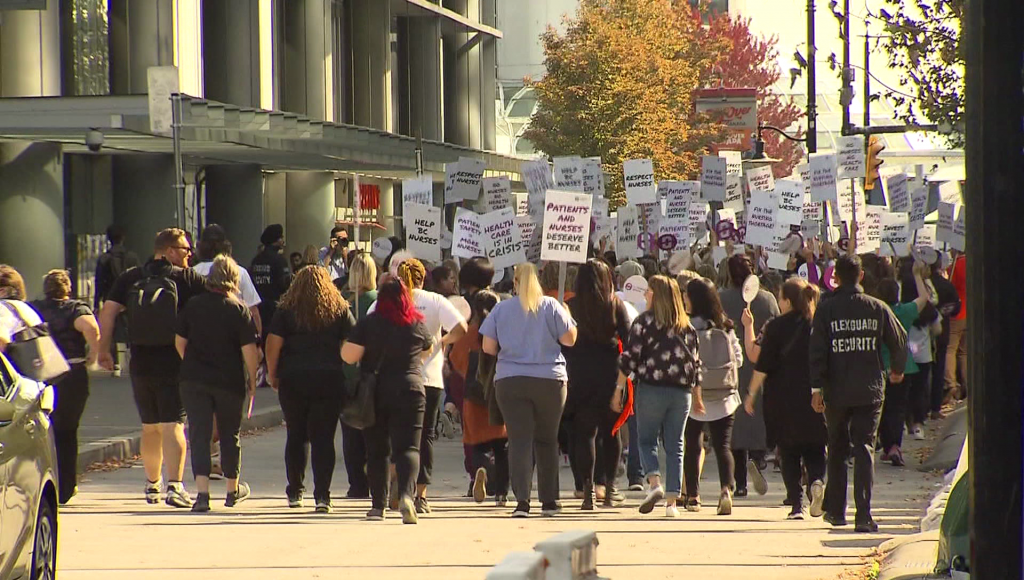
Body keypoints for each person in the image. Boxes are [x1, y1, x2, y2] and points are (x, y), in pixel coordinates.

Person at [97, 228, 208, 507]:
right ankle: (176, 486)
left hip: (140, 360)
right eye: (184, 249)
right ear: (169, 251)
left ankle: (152, 485)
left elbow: (108, 311)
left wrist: (103, 350)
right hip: (175, 359)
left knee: (150, 427)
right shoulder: (186, 278)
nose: (189, 254)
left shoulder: (132, 277)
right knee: (174, 424)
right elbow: (218, 301)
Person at [809, 254, 908, 533]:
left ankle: (837, 512)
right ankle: (863, 515)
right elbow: (899, 341)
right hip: (869, 389)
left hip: (836, 391)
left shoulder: (826, 310)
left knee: (837, 448)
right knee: (864, 449)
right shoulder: (877, 307)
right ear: (861, 276)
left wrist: (816, 388)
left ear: (835, 277)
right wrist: (897, 370)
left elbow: (816, 351)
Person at [480, 263, 577, 518]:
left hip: (511, 380)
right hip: (550, 379)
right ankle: (549, 501)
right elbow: (570, 339)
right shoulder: (552, 306)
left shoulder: (501, 309)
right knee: (547, 439)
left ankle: (522, 501)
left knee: (519, 440)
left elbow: (488, 348)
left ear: (515, 283)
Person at [341, 277, 433, 524]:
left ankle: (378, 506)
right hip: (411, 388)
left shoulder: (369, 323)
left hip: (377, 391)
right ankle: (405, 496)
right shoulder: (416, 323)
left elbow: (349, 357)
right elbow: (428, 348)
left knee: (377, 450)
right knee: (409, 448)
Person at [265, 266, 355, 513]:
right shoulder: (338, 309)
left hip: (293, 377)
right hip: (328, 378)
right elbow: (351, 344)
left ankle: (295, 490)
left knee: (296, 435)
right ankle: (323, 496)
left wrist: (273, 374)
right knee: (324, 437)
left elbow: (273, 343)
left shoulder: (286, 311)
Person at [174, 256, 260, 512]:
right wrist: (252, 380)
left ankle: (202, 494)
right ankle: (232, 490)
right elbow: (249, 352)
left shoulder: (193, 305)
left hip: (194, 379)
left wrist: (191, 361)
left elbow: (179, 341)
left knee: (199, 434)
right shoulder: (239, 310)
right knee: (229, 434)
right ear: (234, 280)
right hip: (228, 379)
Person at [381, 259, 467, 513]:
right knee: (425, 435)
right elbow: (461, 327)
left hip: (396, 375)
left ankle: (396, 486)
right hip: (429, 378)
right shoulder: (435, 301)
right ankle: (421, 495)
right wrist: (442, 341)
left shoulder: (390, 300)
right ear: (423, 278)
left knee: (397, 434)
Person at [617, 275, 704, 518]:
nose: (645, 295)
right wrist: (698, 396)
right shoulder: (687, 327)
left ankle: (655, 483)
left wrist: (618, 389)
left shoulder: (643, 322)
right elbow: (696, 365)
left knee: (646, 440)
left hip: (652, 388)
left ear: (656, 295)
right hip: (681, 393)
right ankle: (672, 504)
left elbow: (630, 358)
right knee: (676, 445)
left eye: (649, 291)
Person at [743, 278, 827, 520]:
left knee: (788, 451)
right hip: (813, 394)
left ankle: (796, 505)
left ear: (787, 301)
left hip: (782, 397)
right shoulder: (817, 323)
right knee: (815, 447)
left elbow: (763, 365)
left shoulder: (776, 327)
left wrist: (751, 394)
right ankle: (817, 482)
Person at [563, 260, 632, 510]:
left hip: (579, 374)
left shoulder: (570, 306)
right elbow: (630, 342)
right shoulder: (615, 305)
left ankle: (587, 488)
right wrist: (624, 377)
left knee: (585, 434)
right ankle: (610, 487)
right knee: (611, 432)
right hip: (610, 375)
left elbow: (561, 341)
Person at [30, 270, 101, 504]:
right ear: (67, 289)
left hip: (39, 373)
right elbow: (91, 328)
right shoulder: (75, 308)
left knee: (40, 430)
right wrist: (93, 354)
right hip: (71, 373)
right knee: (67, 430)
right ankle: (66, 486)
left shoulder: (35, 309)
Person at [719, 255, 779, 497]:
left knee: (735, 425)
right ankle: (758, 457)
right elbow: (776, 327)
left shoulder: (721, 299)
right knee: (758, 416)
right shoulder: (767, 299)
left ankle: (740, 481)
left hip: (731, 367)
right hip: (761, 366)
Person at [682, 277, 742, 516]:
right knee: (723, 446)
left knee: (693, 446)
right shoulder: (725, 325)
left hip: (693, 395)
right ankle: (726, 490)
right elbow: (737, 358)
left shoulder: (686, 327)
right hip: (724, 395)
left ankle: (693, 497)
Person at [457, 290, 510, 506]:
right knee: (502, 447)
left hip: (473, 398)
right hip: (497, 395)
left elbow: (457, 362)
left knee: (477, 446)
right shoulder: (502, 332)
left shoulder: (468, 334)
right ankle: (501, 494)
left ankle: (481, 470)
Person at [876, 268, 932, 467]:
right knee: (898, 408)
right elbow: (924, 298)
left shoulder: (876, 312)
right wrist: (917, 275)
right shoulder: (905, 312)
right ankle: (895, 446)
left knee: (881, 407)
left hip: (880, 367)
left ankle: (886, 445)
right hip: (904, 366)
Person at [338, 251, 378, 498]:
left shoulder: (342, 301)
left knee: (350, 431)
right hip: (372, 372)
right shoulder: (379, 300)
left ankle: (356, 484)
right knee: (374, 430)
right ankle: (374, 479)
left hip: (346, 372)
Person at [193, 224, 263, 336]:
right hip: (235, 337)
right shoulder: (239, 271)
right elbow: (253, 310)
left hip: (201, 337)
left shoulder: (192, 273)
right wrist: (258, 341)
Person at [93, 225, 139, 375]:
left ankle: (115, 362)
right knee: (131, 328)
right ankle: (132, 359)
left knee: (110, 329)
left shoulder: (104, 259)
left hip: (110, 298)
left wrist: (96, 303)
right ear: (123, 238)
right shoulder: (132, 257)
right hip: (130, 299)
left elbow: (99, 283)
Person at [251, 224, 292, 339]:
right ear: (277, 240)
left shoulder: (256, 260)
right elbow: (284, 284)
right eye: (281, 238)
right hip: (274, 309)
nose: (283, 241)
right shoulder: (279, 260)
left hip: (258, 308)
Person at [944, 252, 967, 400]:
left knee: (950, 350)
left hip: (956, 315)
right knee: (965, 352)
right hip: (970, 313)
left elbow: (949, 288)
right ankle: (968, 383)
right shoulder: (975, 263)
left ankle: (951, 385)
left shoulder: (955, 266)